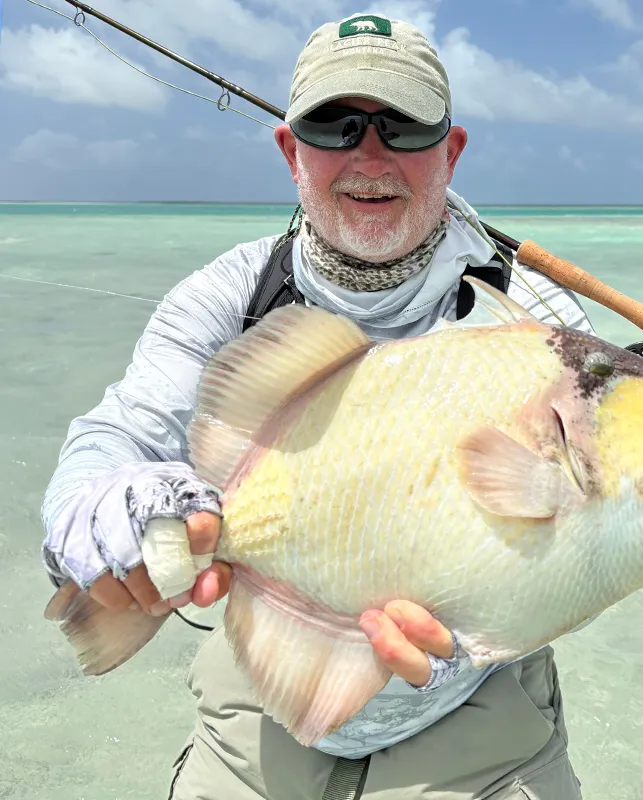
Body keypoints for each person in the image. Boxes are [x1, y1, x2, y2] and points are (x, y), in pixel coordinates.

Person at [40, 13, 596, 800]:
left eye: (403, 126)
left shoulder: (535, 322)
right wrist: (98, 514)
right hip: (268, 687)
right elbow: (121, 432)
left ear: (453, 150)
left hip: (479, 704)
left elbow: (594, 529)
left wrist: (488, 606)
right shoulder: (228, 296)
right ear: (290, 151)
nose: (370, 154)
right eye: (335, 125)